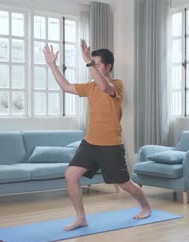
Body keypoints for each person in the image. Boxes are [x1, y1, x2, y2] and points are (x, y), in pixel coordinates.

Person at [43, 39, 152, 231]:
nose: (93, 66)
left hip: (111, 144)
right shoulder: (90, 86)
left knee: (125, 184)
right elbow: (66, 87)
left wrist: (88, 61)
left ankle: (145, 206)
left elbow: (105, 87)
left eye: (97, 63)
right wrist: (52, 64)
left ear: (108, 66)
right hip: (90, 142)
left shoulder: (117, 85)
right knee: (71, 175)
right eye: (93, 63)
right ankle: (81, 218)